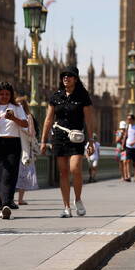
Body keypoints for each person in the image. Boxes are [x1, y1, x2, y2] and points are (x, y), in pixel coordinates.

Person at [40, 66, 95, 218]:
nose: (66, 78)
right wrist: (43, 140)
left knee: (75, 168)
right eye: (64, 76)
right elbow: (49, 119)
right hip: (59, 137)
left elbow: (89, 120)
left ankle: (77, 199)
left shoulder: (83, 96)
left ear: (75, 79)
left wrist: (91, 140)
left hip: (76, 137)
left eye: (69, 76)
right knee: (63, 173)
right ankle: (66, 207)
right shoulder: (56, 96)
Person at [0, 81, 29, 219]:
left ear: (11, 95)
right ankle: (5, 204)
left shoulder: (17, 107)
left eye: (7, 94)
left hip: (12, 143)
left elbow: (25, 124)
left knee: (10, 173)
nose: (4, 96)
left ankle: (5, 204)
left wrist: (13, 118)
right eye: (1, 94)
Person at [15, 96, 39, 205]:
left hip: (17, 147)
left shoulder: (15, 116)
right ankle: (20, 199)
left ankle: (14, 198)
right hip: (24, 148)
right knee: (23, 173)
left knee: (17, 173)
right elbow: (32, 134)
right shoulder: (28, 116)